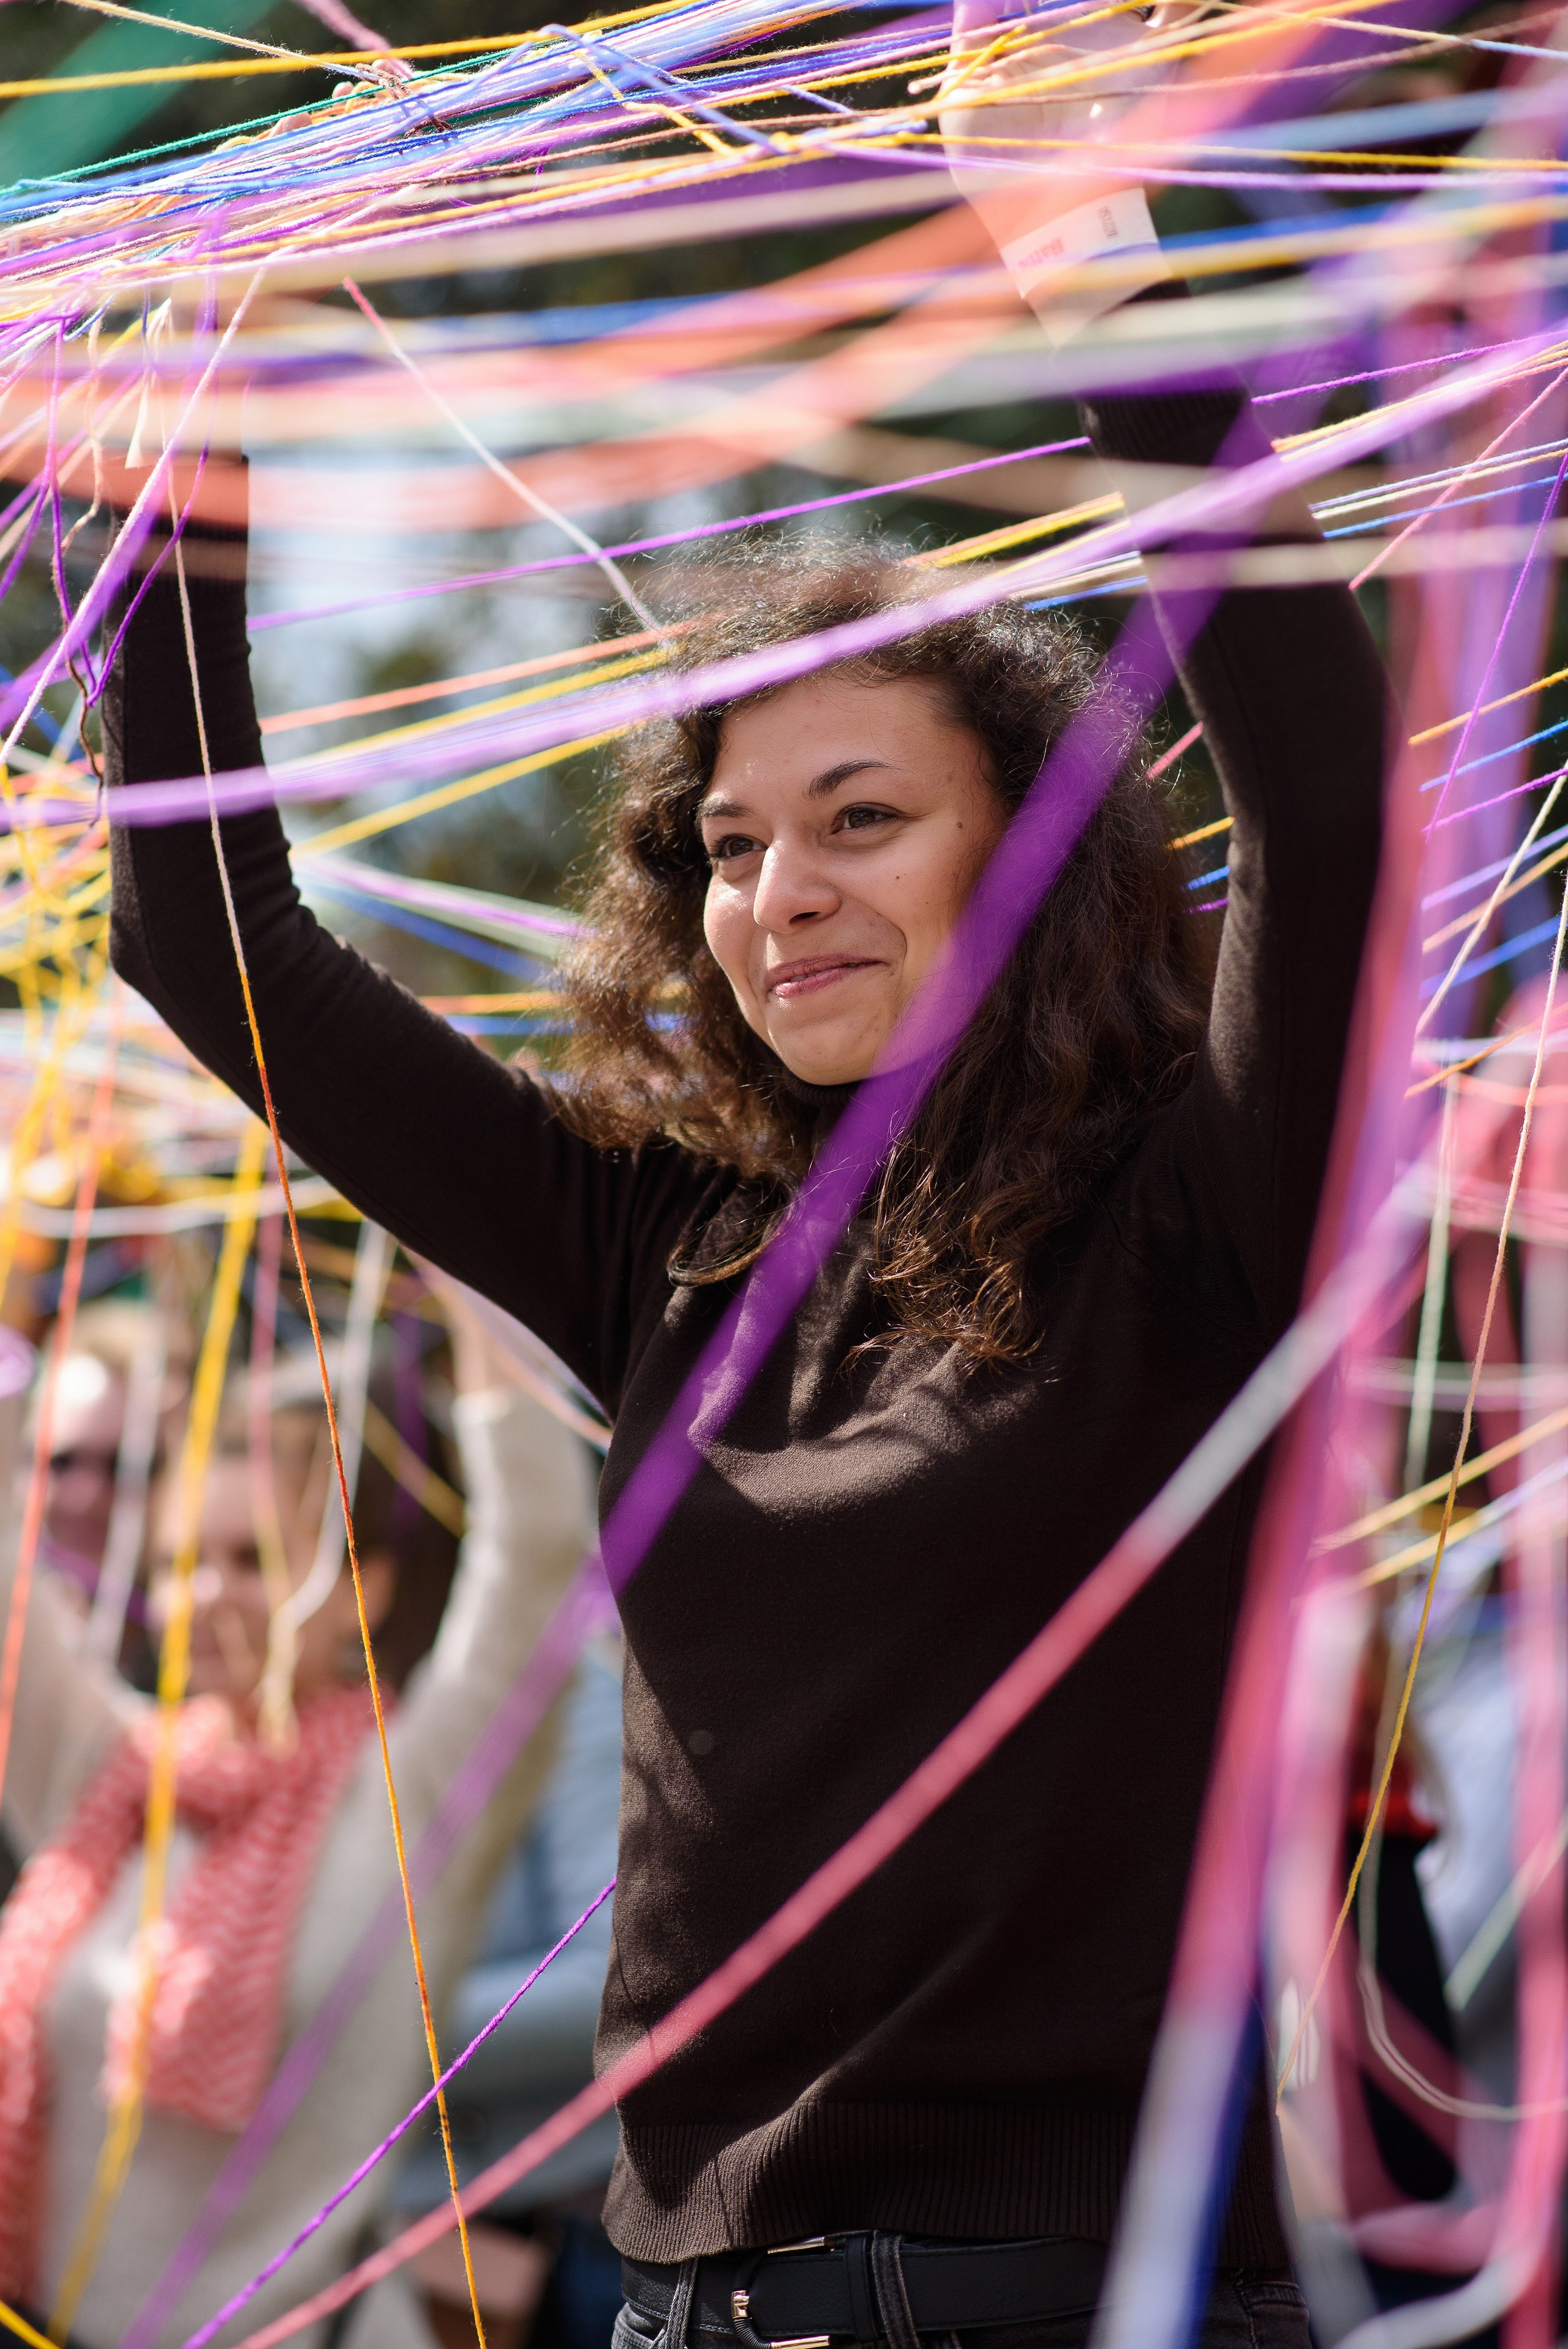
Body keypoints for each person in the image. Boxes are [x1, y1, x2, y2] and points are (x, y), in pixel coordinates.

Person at [99, 10, 1392, 2342]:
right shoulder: (657, 1245)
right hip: (693, 2293)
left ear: (1039, 856)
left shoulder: (1207, 1195)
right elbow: (207, 932)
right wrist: (189, 435)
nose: (774, 886)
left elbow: (1325, 780)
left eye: (862, 816)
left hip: (1116, 2290)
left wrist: (1090, 261)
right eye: (724, 842)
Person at [0, 1313, 597, 2349]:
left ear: (362, 1589)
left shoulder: (407, 1790)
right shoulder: (113, 1777)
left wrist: (476, 1303)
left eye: (252, 1557)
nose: (209, 1594)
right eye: (183, 1560)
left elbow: (538, 1560)